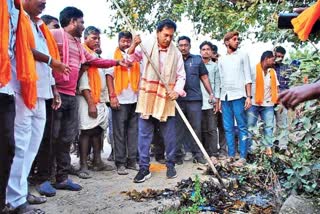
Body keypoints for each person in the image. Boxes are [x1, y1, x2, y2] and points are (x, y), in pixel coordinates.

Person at [35, 6, 128, 196]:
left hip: (70, 96)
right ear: (72, 21)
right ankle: (43, 179)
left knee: (66, 139)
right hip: (55, 94)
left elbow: (95, 61)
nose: (83, 25)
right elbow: (41, 58)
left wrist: (116, 62)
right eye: (81, 22)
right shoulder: (54, 34)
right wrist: (53, 88)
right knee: (50, 138)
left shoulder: (78, 44)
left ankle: (62, 178)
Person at [5, 0, 69, 213]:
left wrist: (54, 90)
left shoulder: (40, 27)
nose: (43, 2)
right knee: (20, 147)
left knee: (31, 148)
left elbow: (46, 65)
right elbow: (24, 49)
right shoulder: (18, 19)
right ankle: (14, 200)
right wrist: (52, 60)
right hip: (22, 90)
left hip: (42, 93)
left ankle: (20, 192)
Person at [128, 18, 186, 183]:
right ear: (158, 32)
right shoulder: (146, 45)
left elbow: (181, 76)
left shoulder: (176, 53)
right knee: (144, 134)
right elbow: (129, 60)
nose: (168, 39)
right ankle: (144, 168)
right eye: (165, 35)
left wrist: (177, 91)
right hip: (148, 96)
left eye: (171, 36)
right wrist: (134, 45)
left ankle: (171, 164)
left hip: (166, 98)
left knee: (169, 136)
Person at [77, 26, 114, 179]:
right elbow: (83, 82)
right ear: (85, 38)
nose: (97, 41)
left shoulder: (96, 57)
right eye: (94, 38)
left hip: (99, 99)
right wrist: (91, 103)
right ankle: (83, 165)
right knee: (86, 131)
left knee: (98, 130)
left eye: (98, 38)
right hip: (87, 99)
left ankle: (97, 161)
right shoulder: (83, 55)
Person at [175, 36, 215, 165]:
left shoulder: (197, 60)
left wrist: (211, 93)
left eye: (186, 45)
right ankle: (178, 155)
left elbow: (204, 78)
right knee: (179, 128)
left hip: (194, 100)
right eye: (181, 45)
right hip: (178, 99)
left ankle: (198, 154)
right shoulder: (174, 59)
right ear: (177, 46)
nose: (183, 48)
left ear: (190, 46)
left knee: (196, 128)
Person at [106, 31, 140, 175]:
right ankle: (120, 163)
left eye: (128, 41)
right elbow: (109, 76)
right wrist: (112, 96)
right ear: (118, 41)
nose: (126, 44)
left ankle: (132, 160)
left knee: (133, 132)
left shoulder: (136, 56)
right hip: (119, 100)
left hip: (134, 99)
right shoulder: (112, 56)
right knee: (119, 133)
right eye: (123, 41)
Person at [218, 31, 252, 166]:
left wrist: (249, 97)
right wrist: (220, 99)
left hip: (239, 96)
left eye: (238, 39)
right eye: (234, 39)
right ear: (227, 42)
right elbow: (221, 80)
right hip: (225, 97)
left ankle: (243, 156)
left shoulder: (243, 55)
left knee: (242, 126)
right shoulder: (221, 59)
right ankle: (231, 155)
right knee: (228, 127)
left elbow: (248, 77)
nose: (237, 41)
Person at [247, 51, 279, 158]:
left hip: (268, 104)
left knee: (269, 127)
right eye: (272, 59)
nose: (274, 61)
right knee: (251, 127)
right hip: (254, 103)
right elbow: (247, 84)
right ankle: (252, 151)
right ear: (266, 59)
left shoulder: (272, 72)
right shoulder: (253, 69)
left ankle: (268, 150)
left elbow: (276, 88)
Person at [199, 41, 221, 164]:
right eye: (203, 49)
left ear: (212, 52)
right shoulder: (197, 64)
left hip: (211, 101)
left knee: (212, 129)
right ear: (200, 51)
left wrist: (217, 100)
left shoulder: (214, 66)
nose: (206, 51)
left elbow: (217, 84)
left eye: (208, 49)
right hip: (198, 101)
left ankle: (214, 154)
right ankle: (203, 153)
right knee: (201, 128)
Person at [273, 46, 291, 151]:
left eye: (281, 57)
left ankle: (283, 146)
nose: (279, 58)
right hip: (269, 100)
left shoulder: (286, 68)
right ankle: (270, 146)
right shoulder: (268, 67)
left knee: (282, 123)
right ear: (273, 54)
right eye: (277, 56)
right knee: (269, 124)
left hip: (281, 100)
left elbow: (287, 86)